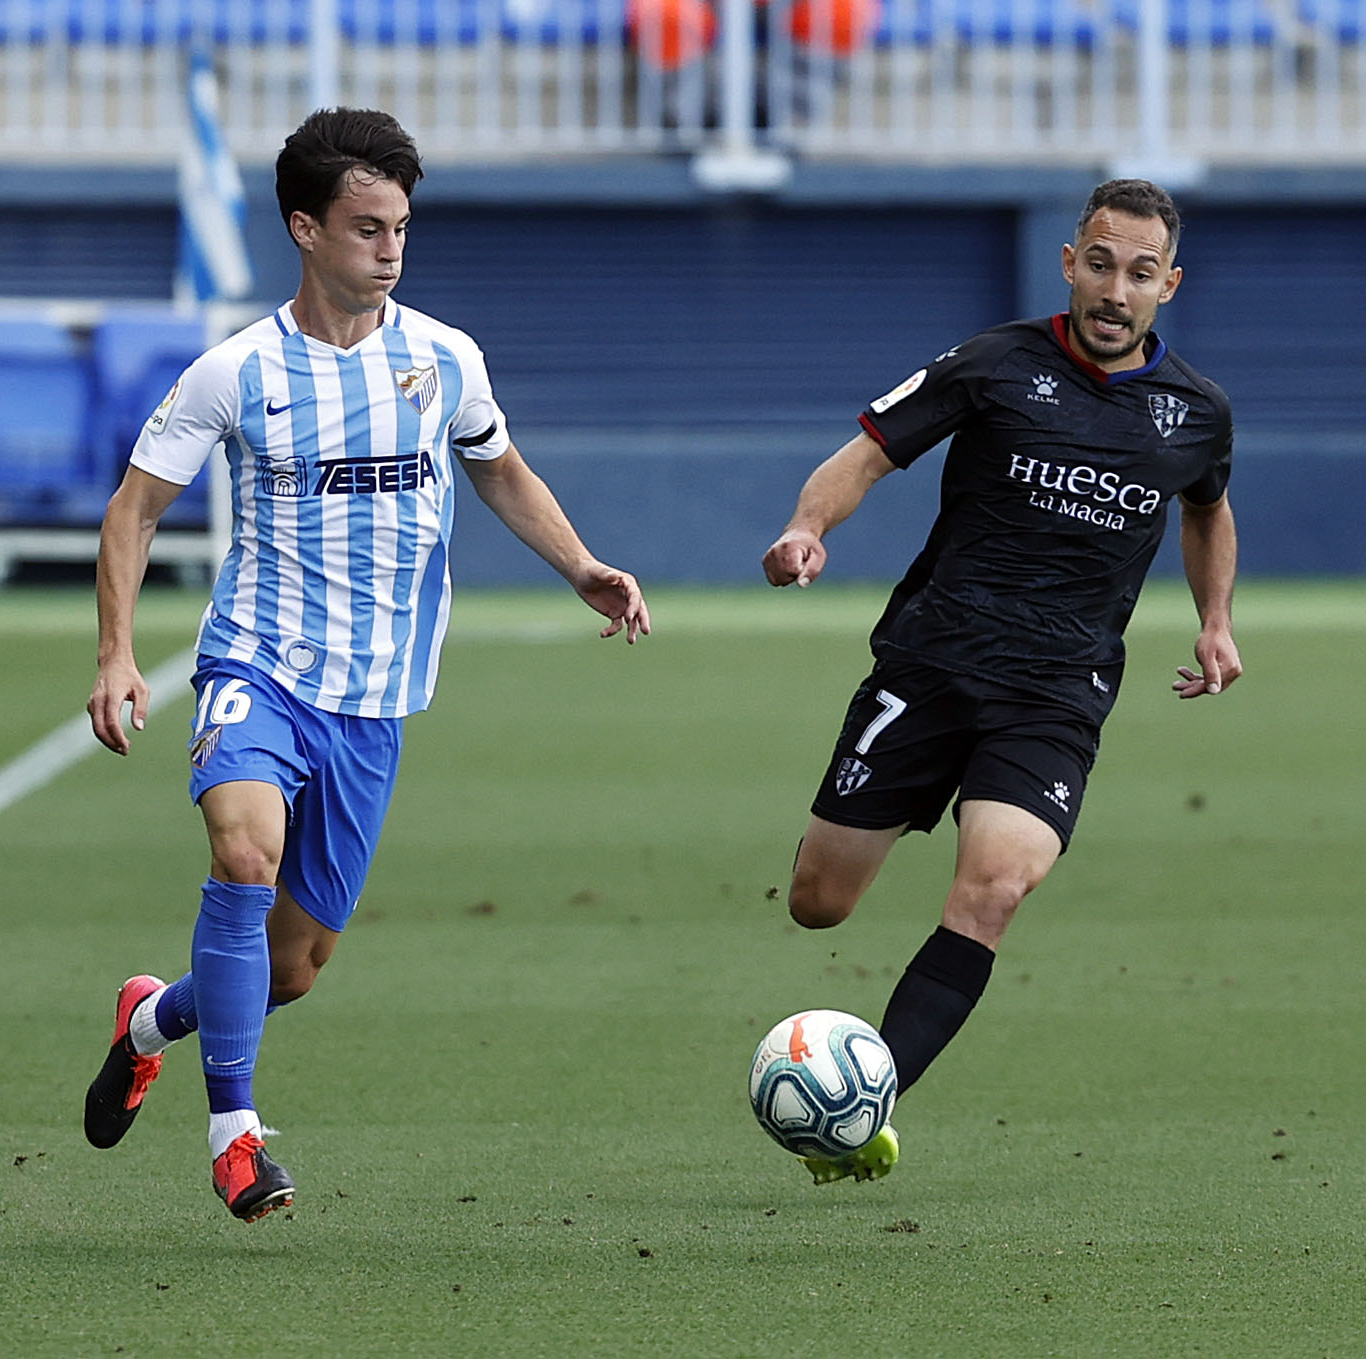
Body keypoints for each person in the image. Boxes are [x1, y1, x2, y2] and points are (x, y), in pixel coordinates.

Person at [82, 108, 650, 1223]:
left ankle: (151, 1020)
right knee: (243, 860)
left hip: (376, 701)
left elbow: (500, 472)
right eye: (365, 225)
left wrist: (579, 564)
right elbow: (133, 510)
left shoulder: (443, 360)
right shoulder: (235, 372)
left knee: (291, 967)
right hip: (258, 666)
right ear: (305, 227)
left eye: (400, 226)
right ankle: (237, 1138)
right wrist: (115, 655)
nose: (389, 247)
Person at [760, 178, 1240, 1184]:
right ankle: (856, 1085)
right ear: (1069, 262)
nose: (1115, 289)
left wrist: (1212, 620)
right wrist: (808, 528)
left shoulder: (1194, 413)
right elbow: (868, 454)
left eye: (1140, 273)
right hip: (931, 665)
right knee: (818, 902)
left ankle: (863, 1108)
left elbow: (1205, 507)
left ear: (1169, 284)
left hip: (1055, 693)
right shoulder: (992, 364)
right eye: (1099, 264)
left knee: (993, 888)